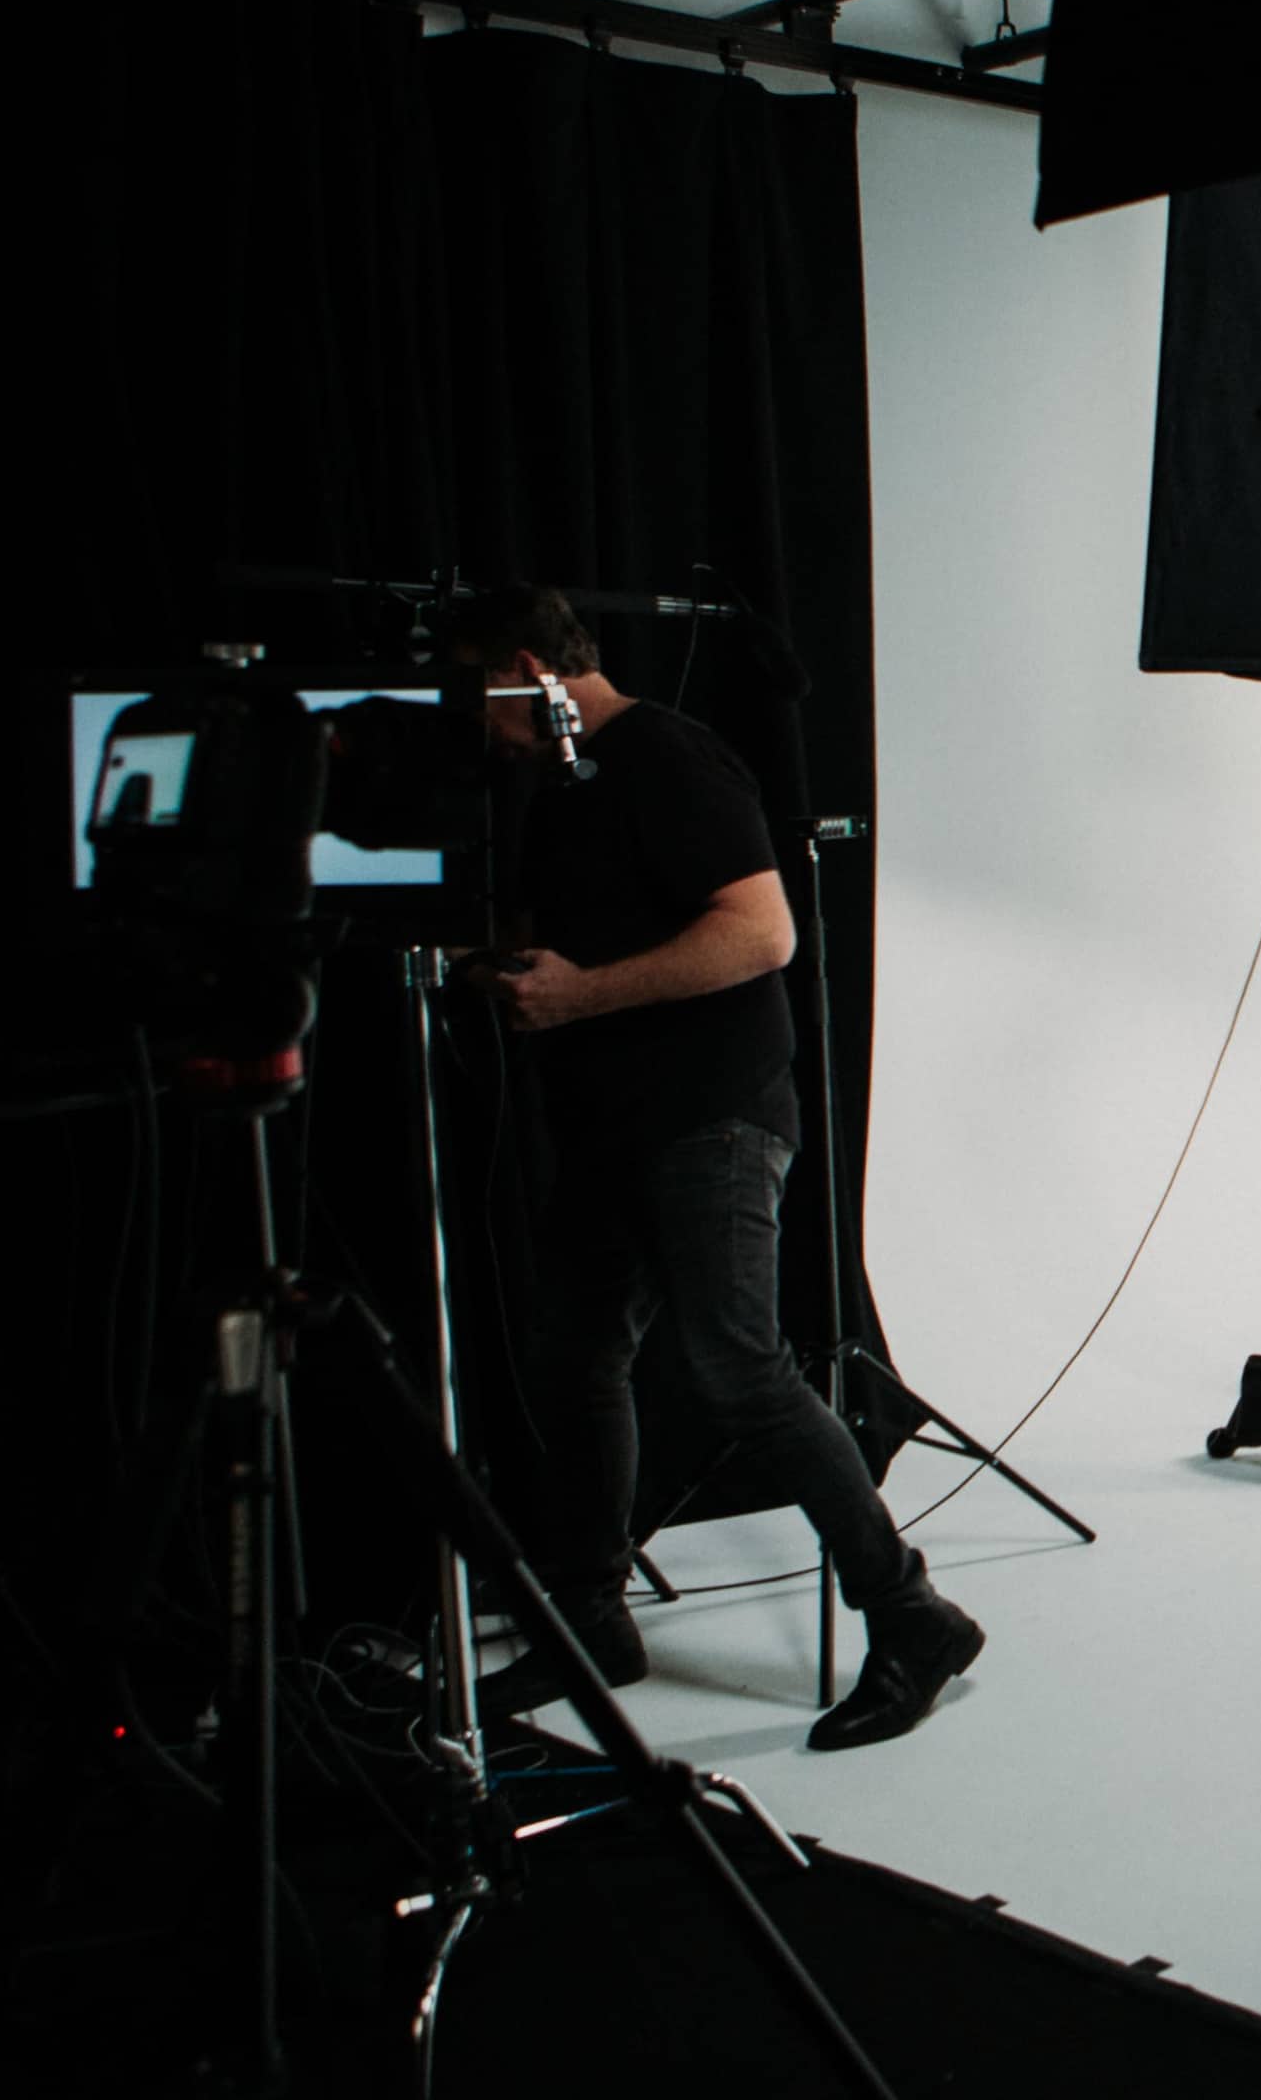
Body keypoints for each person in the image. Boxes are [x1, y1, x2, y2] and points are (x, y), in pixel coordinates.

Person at [447, 585, 981, 1752]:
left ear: (530, 671)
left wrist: (578, 992)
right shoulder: (564, 790)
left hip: (713, 1118)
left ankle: (914, 1614)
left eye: (480, 696)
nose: (475, 728)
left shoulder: (669, 758)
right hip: (611, 1123)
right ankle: (591, 1616)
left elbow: (762, 934)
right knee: (576, 1356)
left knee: (739, 1369)